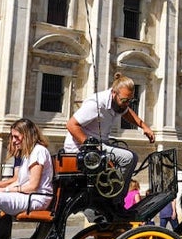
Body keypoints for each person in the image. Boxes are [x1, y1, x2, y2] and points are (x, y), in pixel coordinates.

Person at [63, 73, 155, 208]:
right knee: (128, 158)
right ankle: (115, 202)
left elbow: (127, 112)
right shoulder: (96, 104)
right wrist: (91, 148)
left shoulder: (119, 103)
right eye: (124, 100)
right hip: (80, 147)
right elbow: (71, 125)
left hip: (100, 144)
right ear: (114, 93)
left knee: (130, 156)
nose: (127, 104)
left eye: (130, 101)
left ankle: (112, 194)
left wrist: (144, 126)